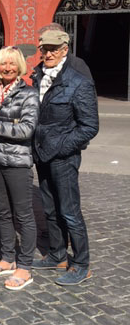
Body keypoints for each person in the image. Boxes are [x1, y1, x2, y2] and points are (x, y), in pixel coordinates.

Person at [31, 30, 99, 286]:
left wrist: (61, 146)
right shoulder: (37, 76)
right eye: (45, 49)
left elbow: (89, 126)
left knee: (70, 211)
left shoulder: (78, 81)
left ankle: (81, 263)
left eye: (54, 49)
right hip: (41, 154)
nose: (48, 53)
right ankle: (58, 254)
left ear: (64, 49)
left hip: (64, 157)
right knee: (49, 209)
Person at [0, 46, 39, 291]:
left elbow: (26, 129)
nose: (8, 68)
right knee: (2, 212)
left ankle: (25, 267)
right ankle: (8, 258)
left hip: (18, 162)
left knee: (23, 216)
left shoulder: (28, 93)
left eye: (12, 64)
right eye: (3, 64)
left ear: (20, 66)